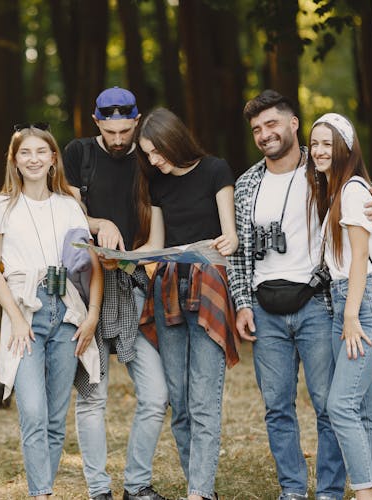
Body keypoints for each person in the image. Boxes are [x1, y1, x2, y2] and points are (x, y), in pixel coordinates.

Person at [228, 90, 372, 500]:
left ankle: (331, 491)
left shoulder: (321, 166)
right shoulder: (247, 182)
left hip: (320, 304)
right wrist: (242, 303)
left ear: (293, 123)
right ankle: (292, 490)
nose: (265, 134)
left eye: (272, 124)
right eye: (257, 129)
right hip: (265, 310)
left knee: (327, 404)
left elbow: (371, 188)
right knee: (276, 407)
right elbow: (238, 251)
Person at [0, 123, 103, 499]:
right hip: (26, 312)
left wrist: (92, 315)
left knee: (55, 416)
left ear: (53, 159)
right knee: (32, 411)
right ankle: (41, 494)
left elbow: (91, 265)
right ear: (14, 161)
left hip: (66, 314)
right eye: (24, 153)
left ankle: (43, 491)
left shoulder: (68, 206)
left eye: (41, 152)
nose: (33, 159)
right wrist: (17, 319)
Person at [64, 87, 169, 500]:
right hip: (87, 291)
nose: (119, 137)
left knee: (156, 396)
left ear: (137, 121)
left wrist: (129, 260)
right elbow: (68, 214)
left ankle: (137, 485)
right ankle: (98, 491)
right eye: (112, 129)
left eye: (127, 129)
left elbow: (158, 233)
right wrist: (100, 223)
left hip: (133, 290)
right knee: (92, 399)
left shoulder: (148, 163)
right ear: (97, 122)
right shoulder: (79, 154)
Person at [136, 108, 240, 500]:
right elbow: (157, 245)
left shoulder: (215, 170)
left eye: (156, 152)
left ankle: (199, 491)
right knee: (178, 400)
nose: (153, 161)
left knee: (203, 399)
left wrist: (226, 243)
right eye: (147, 154)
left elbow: (229, 237)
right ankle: (199, 486)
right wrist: (123, 257)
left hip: (209, 289)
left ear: (173, 140)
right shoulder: (158, 185)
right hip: (169, 293)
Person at [307, 113, 372, 500]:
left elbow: (359, 259)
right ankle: (370, 490)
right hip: (352, 301)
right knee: (363, 411)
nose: (320, 151)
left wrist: (351, 315)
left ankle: (365, 494)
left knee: (339, 406)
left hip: (363, 305)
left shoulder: (354, 190)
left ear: (345, 148)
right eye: (316, 144)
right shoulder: (336, 193)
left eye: (328, 144)